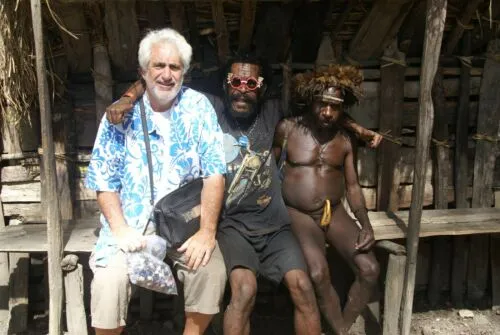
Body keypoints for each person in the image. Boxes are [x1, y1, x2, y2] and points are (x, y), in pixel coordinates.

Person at [106, 55, 381, 335]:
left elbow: (324, 109)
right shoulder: (210, 108)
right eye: (236, 81)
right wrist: (127, 98)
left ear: (261, 88)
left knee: (302, 287)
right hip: (231, 225)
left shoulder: (273, 111)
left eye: (251, 83)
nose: (242, 89)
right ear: (225, 85)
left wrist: (356, 128)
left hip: (275, 225)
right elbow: (162, 82)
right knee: (244, 290)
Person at [85, 28, 227, 335]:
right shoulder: (119, 115)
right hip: (130, 223)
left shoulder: (198, 108)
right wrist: (121, 231)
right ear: (143, 73)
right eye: (158, 66)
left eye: (174, 67)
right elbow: (103, 179)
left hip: (182, 223)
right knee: (109, 283)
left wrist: (207, 232)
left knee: (210, 272)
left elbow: (215, 172)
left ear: (184, 73)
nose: (166, 74)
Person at [273, 65, 380, 335]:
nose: (328, 113)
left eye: (335, 107)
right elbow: (268, 169)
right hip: (298, 213)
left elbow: (353, 186)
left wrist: (365, 223)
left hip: (334, 212)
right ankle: (339, 329)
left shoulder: (344, 140)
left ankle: (341, 327)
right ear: (312, 101)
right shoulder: (288, 129)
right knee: (318, 273)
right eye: (323, 104)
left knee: (369, 269)